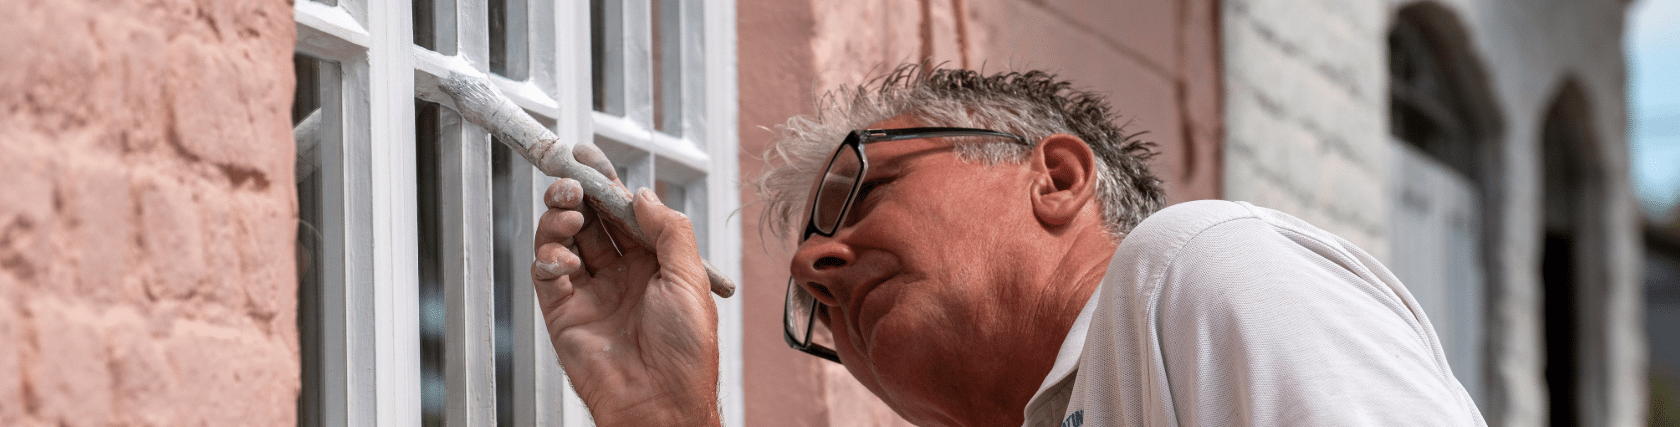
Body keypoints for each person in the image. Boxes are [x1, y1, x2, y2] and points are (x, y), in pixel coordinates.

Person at [529, 65, 1486, 426]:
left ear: (1058, 177)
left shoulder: (1195, 268)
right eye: (809, 309)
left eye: (862, 188)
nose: (814, 269)